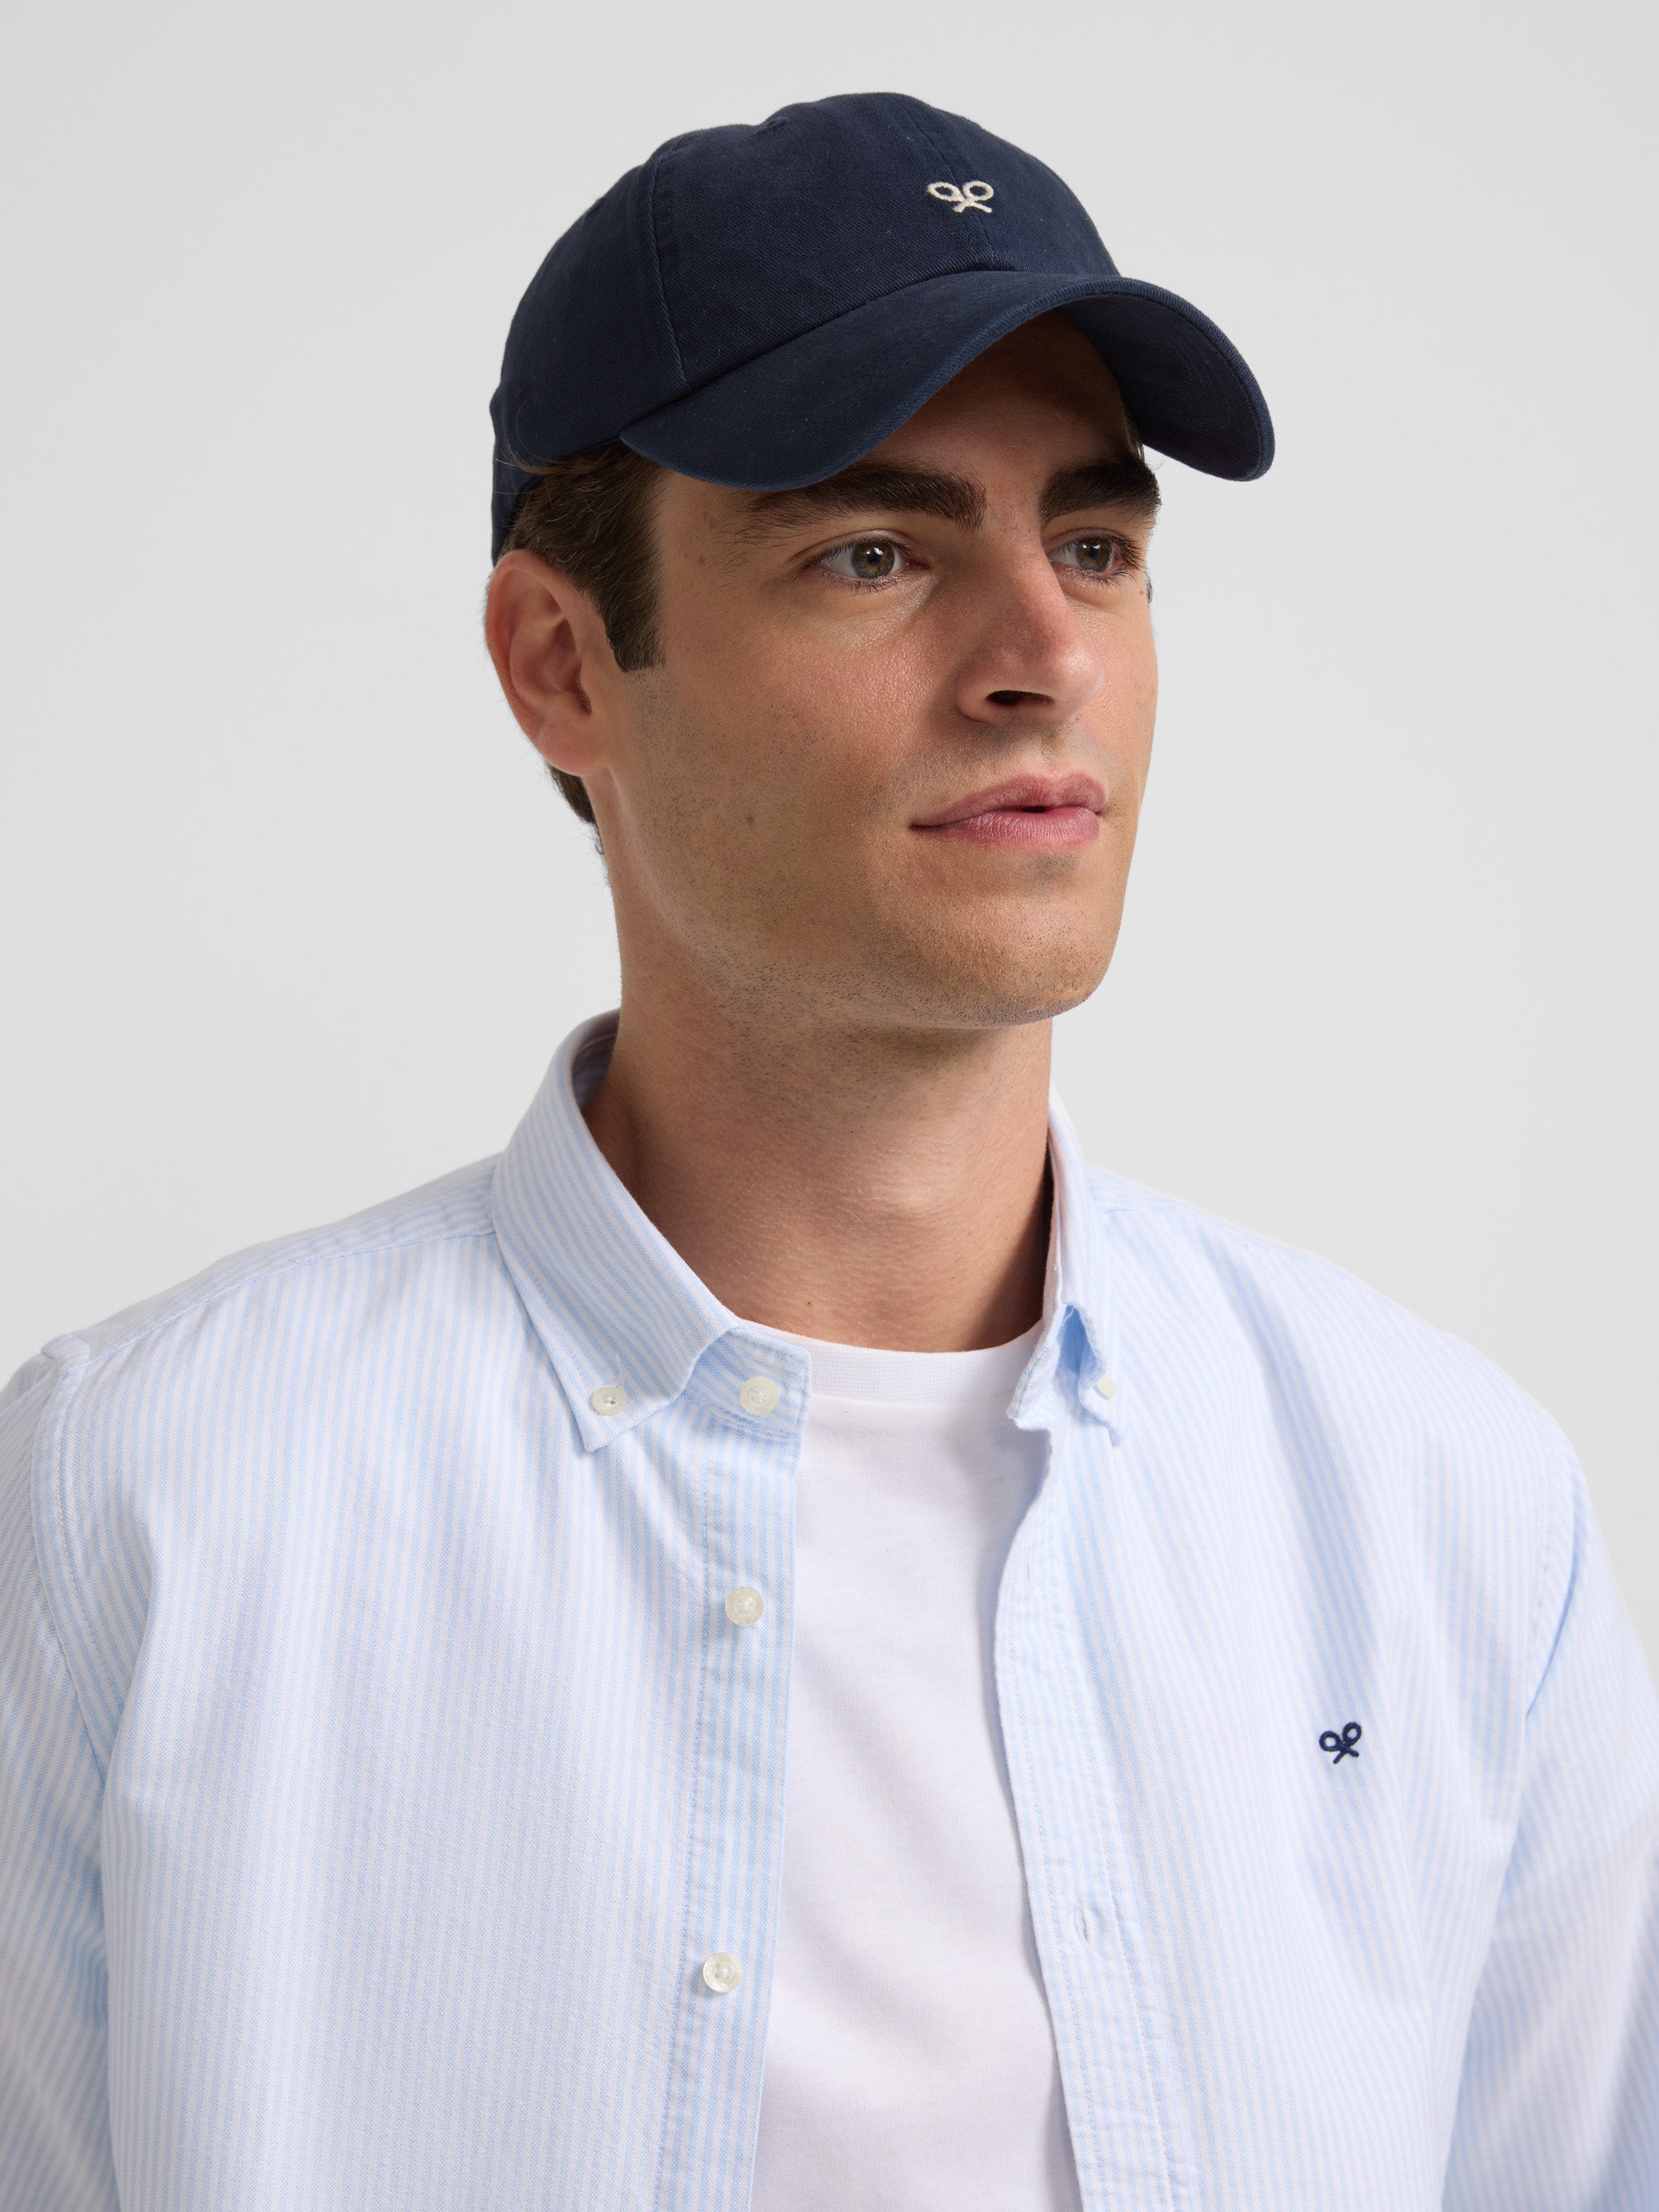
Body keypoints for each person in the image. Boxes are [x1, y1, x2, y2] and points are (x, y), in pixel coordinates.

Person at [1, 90, 1654, 2212]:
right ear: (562, 665)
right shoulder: (134, 1513)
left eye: (1096, 547)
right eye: (874, 553)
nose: (1045, 656)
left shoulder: (1448, 1512)